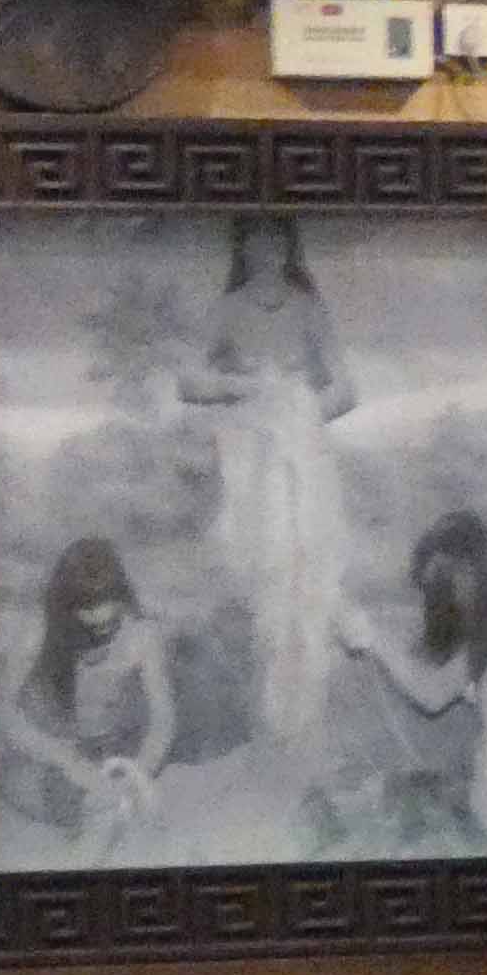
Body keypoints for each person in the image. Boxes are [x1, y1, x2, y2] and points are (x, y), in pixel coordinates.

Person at [179, 218, 354, 774]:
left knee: (305, 570)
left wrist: (297, 409)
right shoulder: (228, 309)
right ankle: (262, 722)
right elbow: (189, 381)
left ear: (287, 246)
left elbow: (345, 390)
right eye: (255, 241)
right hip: (247, 448)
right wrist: (248, 391)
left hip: (300, 448)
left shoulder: (308, 308)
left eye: (276, 241)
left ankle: (305, 719)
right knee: (261, 572)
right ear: (244, 247)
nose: (266, 251)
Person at [335, 509, 487, 849]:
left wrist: (474, 843)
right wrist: (373, 638)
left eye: (439, 587)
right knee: (405, 794)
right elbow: (433, 691)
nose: (434, 604)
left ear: (470, 577)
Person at [0, 537, 176, 858]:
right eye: (88, 612)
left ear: (122, 596)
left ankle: (105, 817)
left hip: (112, 747)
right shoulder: (38, 629)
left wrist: (140, 770)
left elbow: (163, 718)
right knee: (64, 795)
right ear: (66, 607)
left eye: (111, 610)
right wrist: (65, 760)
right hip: (47, 752)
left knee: (120, 796)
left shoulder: (142, 635)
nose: (102, 621)